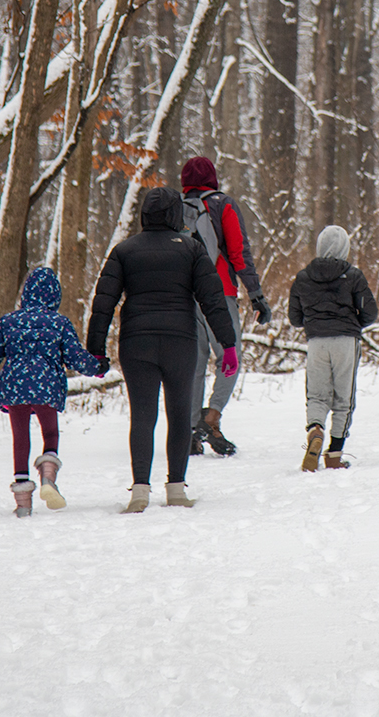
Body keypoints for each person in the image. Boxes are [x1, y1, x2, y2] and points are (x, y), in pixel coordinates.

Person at [86, 187, 238, 513]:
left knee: (143, 415)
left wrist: (95, 350)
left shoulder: (124, 250)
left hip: (135, 343)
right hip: (179, 342)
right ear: (174, 215)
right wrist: (227, 345)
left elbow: (103, 304)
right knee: (180, 414)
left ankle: (140, 491)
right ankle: (176, 490)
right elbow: (212, 300)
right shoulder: (192, 250)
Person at [0, 267, 106, 517]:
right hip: (47, 386)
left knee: (21, 439)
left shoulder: (8, 321)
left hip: (15, 387)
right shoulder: (59, 323)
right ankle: (48, 478)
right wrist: (98, 367)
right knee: (50, 433)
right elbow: (75, 357)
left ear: (26, 293)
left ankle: (22, 503)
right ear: (55, 296)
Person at [179, 156, 271, 456]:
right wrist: (256, 294)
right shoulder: (222, 204)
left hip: (184, 295)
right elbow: (238, 251)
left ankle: (192, 432)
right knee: (230, 357)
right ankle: (212, 417)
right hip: (219, 292)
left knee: (194, 362)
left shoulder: (174, 207)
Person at [288, 225, 378, 472]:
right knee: (344, 399)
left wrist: (315, 321)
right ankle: (334, 455)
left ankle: (315, 429)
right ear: (344, 248)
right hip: (346, 341)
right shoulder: (353, 275)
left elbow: (295, 318)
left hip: (316, 342)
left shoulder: (303, 277)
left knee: (317, 395)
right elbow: (370, 312)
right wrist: (352, 322)